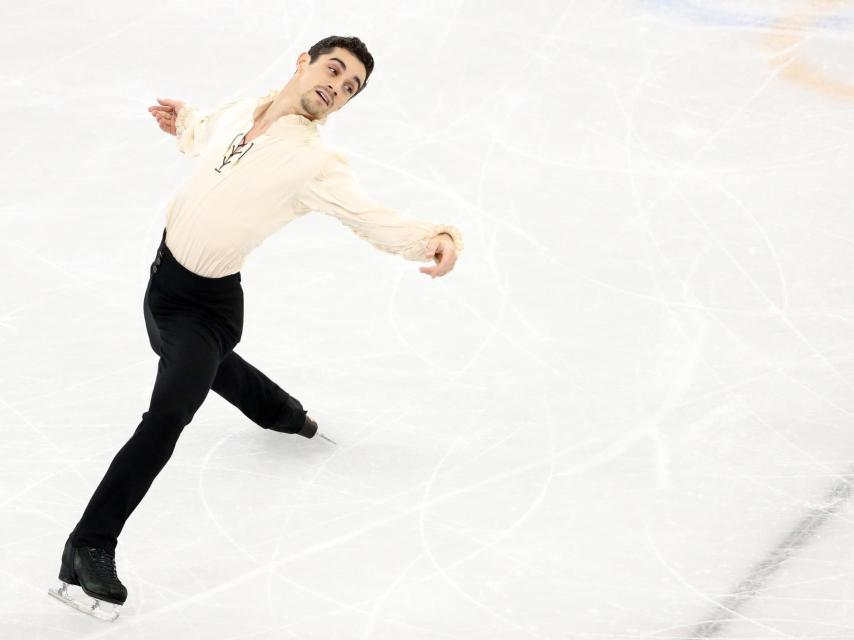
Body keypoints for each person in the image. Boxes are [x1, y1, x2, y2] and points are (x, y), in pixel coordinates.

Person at [49, 35, 464, 621]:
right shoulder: (247, 110)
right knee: (207, 367)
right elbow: (207, 130)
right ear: (304, 61)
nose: (337, 87)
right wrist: (183, 120)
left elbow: (369, 217)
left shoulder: (316, 164)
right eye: (333, 69)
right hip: (161, 286)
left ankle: (90, 543)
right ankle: (285, 414)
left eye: (350, 88)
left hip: (207, 310)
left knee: (169, 411)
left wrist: (434, 238)